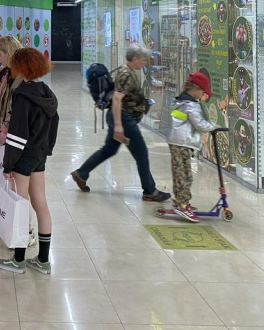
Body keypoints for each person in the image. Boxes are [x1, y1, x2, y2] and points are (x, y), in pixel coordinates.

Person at [71, 45, 170, 203]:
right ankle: (150, 191)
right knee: (141, 154)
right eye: (143, 60)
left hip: (122, 118)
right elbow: (117, 99)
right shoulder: (126, 74)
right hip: (124, 119)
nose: (145, 63)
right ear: (135, 59)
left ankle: (81, 173)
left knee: (109, 150)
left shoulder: (128, 71)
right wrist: (118, 126)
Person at [0, 48, 59, 275]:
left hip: (23, 156)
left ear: (21, 67)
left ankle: (19, 259)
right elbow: (53, 126)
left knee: (20, 205)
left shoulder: (22, 95)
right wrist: (45, 150)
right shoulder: (48, 93)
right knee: (40, 203)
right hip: (39, 155)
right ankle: (43, 260)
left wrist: (8, 164)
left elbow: (17, 135)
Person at [0, 36, 38, 246]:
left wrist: (5, 129)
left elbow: (18, 109)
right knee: (3, 183)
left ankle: (27, 229)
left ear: (10, 52)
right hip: (2, 137)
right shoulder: (3, 75)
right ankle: (1, 223)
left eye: (0, 54)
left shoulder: (24, 77)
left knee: (19, 187)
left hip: (18, 139)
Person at [167, 73, 219, 221]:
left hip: (178, 141)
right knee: (183, 175)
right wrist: (213, 126)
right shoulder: (191, 105)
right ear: (195, 89)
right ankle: (183, 205)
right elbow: (200, 124)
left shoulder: (180, 101)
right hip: (181, 142)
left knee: (181, 173)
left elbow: (183, 120)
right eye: (203, 92)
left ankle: (181, 201)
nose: (203, 95)